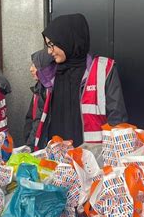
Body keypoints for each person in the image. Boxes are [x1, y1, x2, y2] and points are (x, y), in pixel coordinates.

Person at [41, 13, 128, 147]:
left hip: (93, 159)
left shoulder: (103, 68)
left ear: (66, 40)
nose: (49, 51)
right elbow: (38, 117)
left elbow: (117, 119)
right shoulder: (49, 73)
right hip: (56, 158)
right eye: (47, 45)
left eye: (52, 45)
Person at [23, 49, 56, 150]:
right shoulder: (39, 89)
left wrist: (31, 145)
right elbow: (30, 119)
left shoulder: (49, 91)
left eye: (35, 65)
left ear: (45, 68)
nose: (31, 69)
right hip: (35, 144)